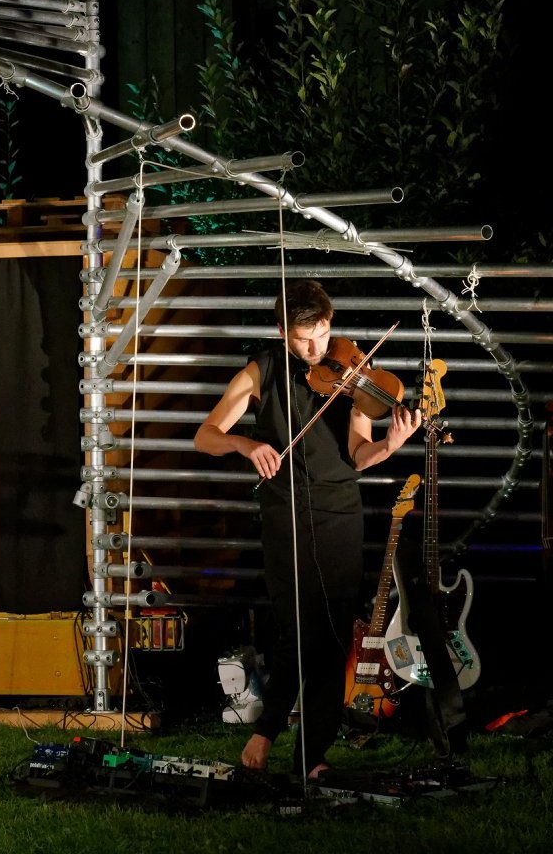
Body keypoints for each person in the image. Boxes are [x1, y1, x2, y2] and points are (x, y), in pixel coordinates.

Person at [193, 279, 422, 777]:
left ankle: (311, 757)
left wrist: (390, 445)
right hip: (286, 512)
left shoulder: (352, 372)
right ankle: (268, 727)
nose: (317, 348)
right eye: (304, 339)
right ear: (282, 333)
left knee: (335, 634)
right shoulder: (261, 371)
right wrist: (246, 444)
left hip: (339, 510)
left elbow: (358, 453)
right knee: (298, 626)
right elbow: (205, 435)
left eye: (322, 334)